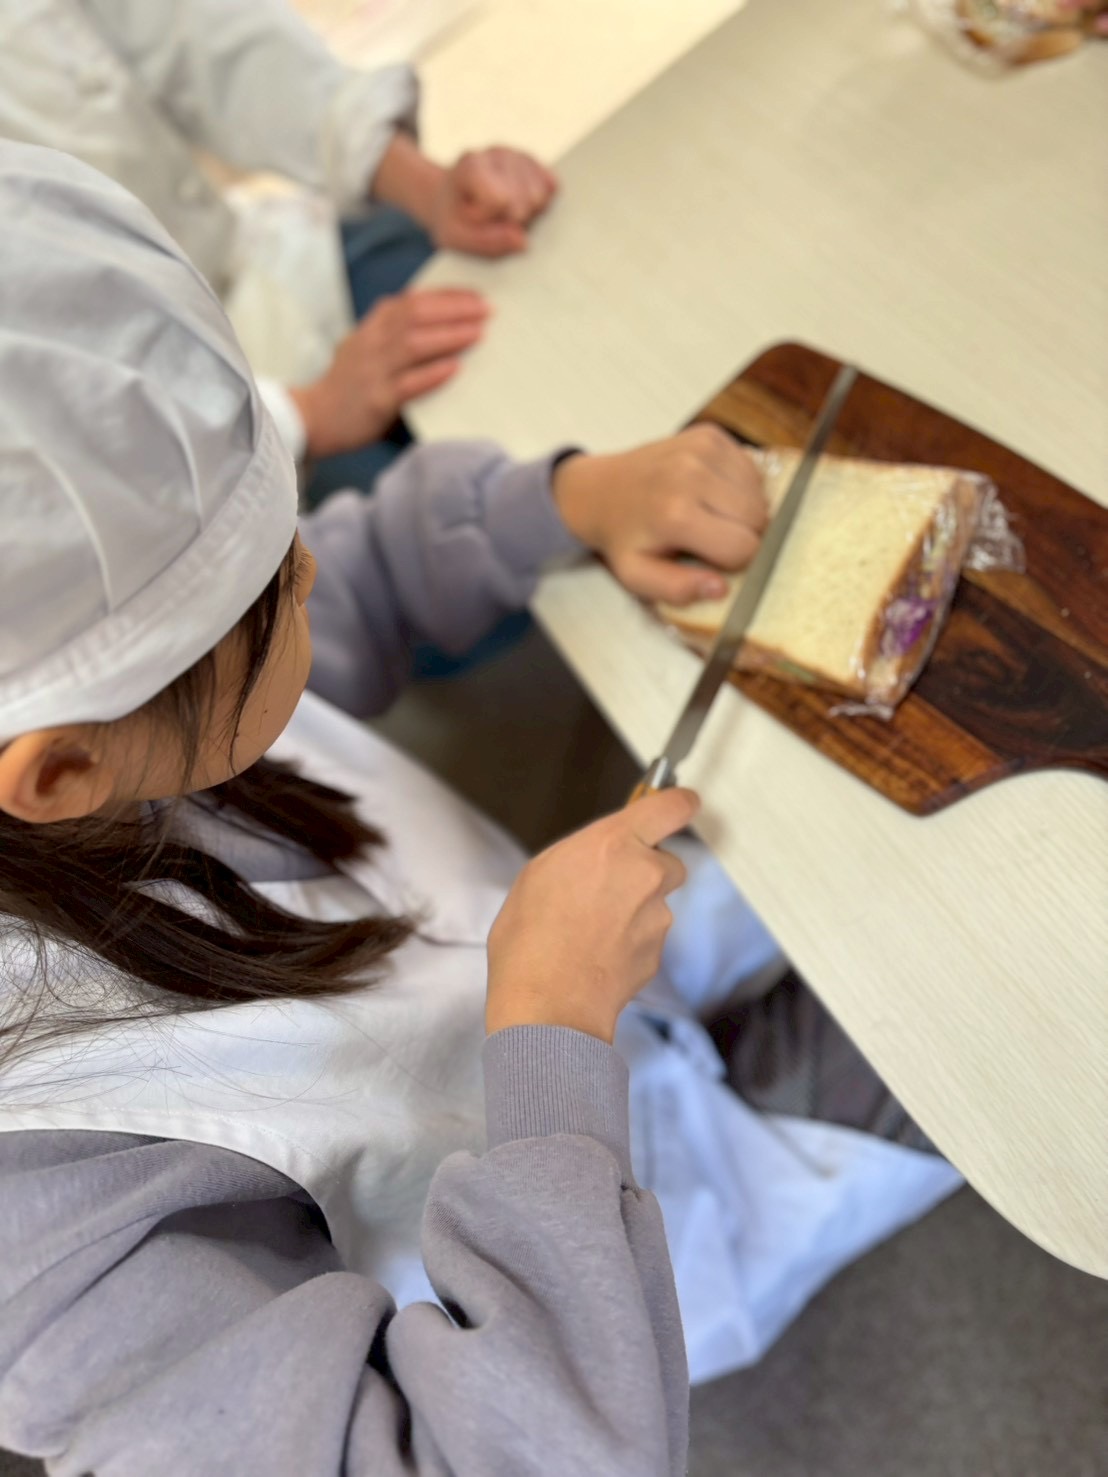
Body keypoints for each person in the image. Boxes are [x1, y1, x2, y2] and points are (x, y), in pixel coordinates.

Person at [0, 144, 962, 1475]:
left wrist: (562, 500)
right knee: (1018, 1023)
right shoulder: (46, 1235)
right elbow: (510, 1454)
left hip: (592, 954)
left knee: (932, 846)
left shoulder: (114, 726)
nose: (312, 562)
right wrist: (555, 1034)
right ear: (59, 773)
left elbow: (356, 603)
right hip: (620, 1254)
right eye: (269, 583)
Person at [0, 0, 558, 497]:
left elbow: (194, 35)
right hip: (163, 463)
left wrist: (426, 187)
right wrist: (304, 415)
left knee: (531, 308)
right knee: (466, 531)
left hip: (251, 264)